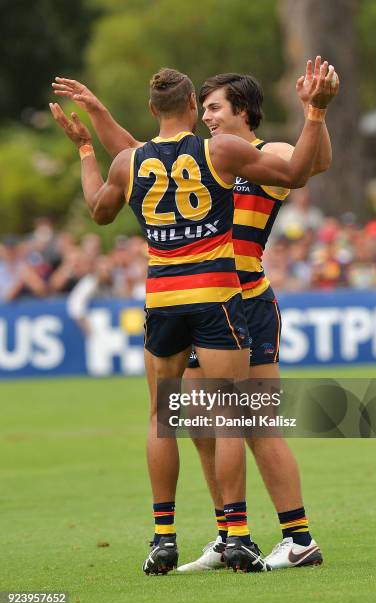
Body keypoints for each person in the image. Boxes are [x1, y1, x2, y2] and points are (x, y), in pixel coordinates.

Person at [50, 63, 337, 574]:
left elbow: (313, 164)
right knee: (204, 426)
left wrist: (318, 110)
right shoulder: (208, 156)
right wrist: (97, 115)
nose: (206, 116)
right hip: (213, 298)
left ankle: (297, 536)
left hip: (244, 297)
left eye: (216, 108)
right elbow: (137, 154)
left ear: (243, 112)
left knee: (253, 424)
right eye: (200, 107)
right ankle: (229, 533)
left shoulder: (261, 153)